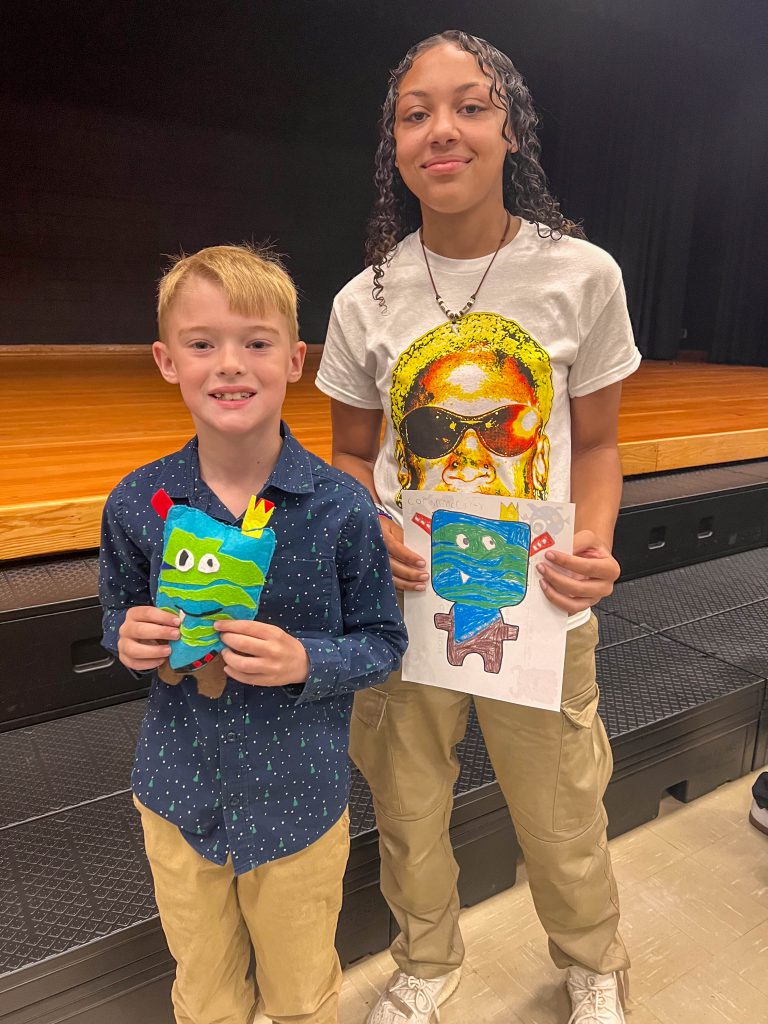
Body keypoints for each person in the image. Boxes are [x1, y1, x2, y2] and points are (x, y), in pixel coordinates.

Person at [316, 29, 641, 1024]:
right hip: (405, 603)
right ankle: (426, 962)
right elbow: (343, 456)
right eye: (415, 113)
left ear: (510, 130)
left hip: (537, 601)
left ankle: (592, 961)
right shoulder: (362, 299)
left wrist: (593, 543)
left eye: (468, 105)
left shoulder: (582, 274)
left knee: (562, 811)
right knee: (409, 808)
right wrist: (367, 527)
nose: (440, 129)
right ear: (396, 145)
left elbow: (595, 448)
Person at [99, 244, 407, 1024]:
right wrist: (125, 638)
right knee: (203, 997)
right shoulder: (138, 503)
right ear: (168, 361)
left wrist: (308, 658)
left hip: (299, 808)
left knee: (303, 996)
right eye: (203, 344)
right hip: (178, 799)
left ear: (296, 359)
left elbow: (383, 641)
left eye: (257, 342)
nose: (229, 365)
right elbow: (117, 615)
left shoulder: (341, 507)